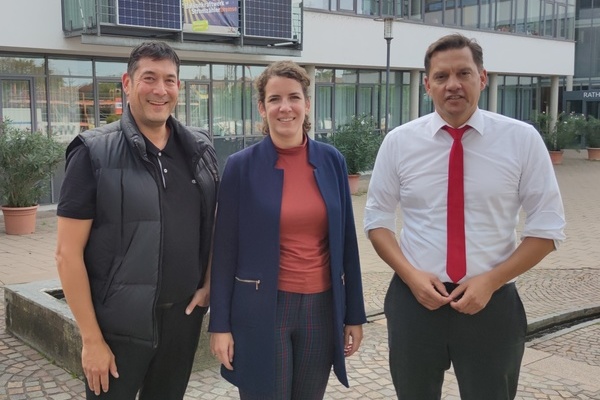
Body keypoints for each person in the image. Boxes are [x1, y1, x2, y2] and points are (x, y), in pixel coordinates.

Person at [364, 33, 566, 399]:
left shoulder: (521, 140)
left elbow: (547, 228)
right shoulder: (399, 142)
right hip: (415, 301)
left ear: (482, 77)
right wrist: (410, 277)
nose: (452, 84)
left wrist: (491, 281)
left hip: (491, 304)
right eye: (441, 76)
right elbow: (376, 220)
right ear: (427, 85)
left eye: (464, 73)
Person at [55, 41, 218, 399]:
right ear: (127, 83)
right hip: (117, 330)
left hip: (182, 324)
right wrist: (91, 339)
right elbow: (67, 254)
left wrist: (207, 282)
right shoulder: (92, 152)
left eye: (170, 80)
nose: (160, 90)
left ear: (179, 87)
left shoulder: (199, 149)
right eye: (149, 78)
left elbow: (213, 224)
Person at [209, 60, 367, 399]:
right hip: (263, 309)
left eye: (294, 97)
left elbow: (347, 243)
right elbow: (223, 251)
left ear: (307, 104)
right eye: (274, 99)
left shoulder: (331, 160)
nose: (285, 107)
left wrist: (354, 313)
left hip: (322, 309)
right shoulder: (241, 167)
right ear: (262, 108)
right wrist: (219, 324)